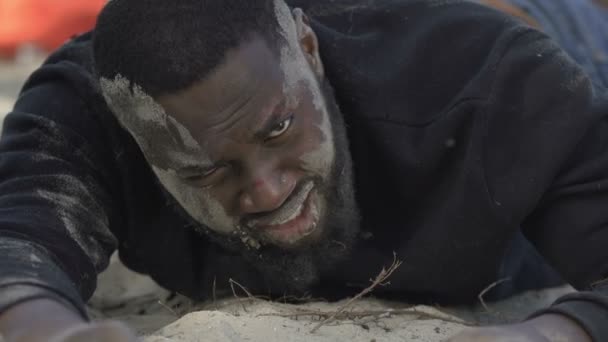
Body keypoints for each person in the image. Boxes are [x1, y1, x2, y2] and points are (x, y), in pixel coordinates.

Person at [0, 0, 607, 340]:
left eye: (280, 129)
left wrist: (545, 335)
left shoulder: (492, 85)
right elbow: (17, 248)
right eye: (208, 173)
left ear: (309, 52)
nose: (266, 190)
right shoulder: (86, 111)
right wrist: (51, 334)